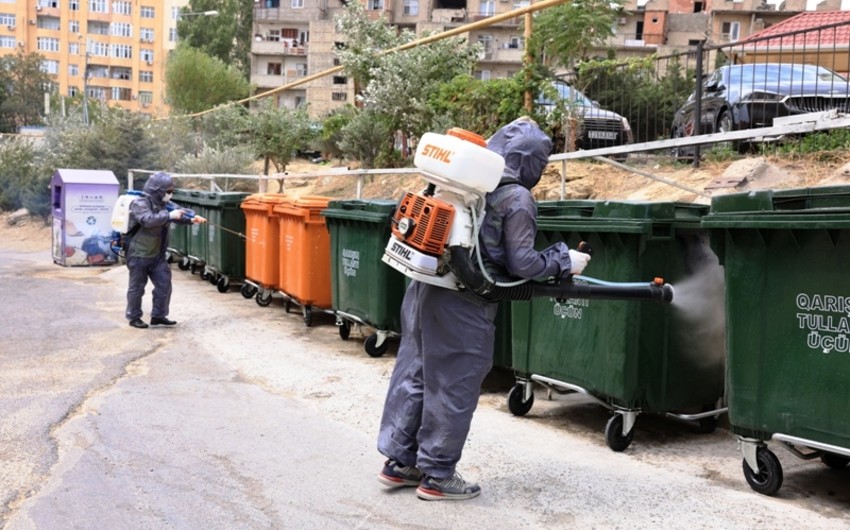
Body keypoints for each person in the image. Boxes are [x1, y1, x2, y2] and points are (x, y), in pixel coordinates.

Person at [376, 117, 591, 501]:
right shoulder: (516, 197)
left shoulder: (461, 179)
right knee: (454, 382)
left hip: (423, 289)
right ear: (534, 163)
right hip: (463, 301)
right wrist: (564, 261)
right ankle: (438, 475)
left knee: (416, 371)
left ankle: (400, 462)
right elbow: (523, 263)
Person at [125, 171, 205, 329]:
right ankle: (134, 317)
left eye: (171, 191)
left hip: (158, 255)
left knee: (164, 285)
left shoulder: (165, 204)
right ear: (157, 190)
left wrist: (191, 218)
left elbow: (179, 212)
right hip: (139, 254)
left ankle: (158, 315)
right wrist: (169, 216)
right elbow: (148, 220)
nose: (170, 194)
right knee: (137, 287)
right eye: (168, 191)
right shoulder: (139, 204)